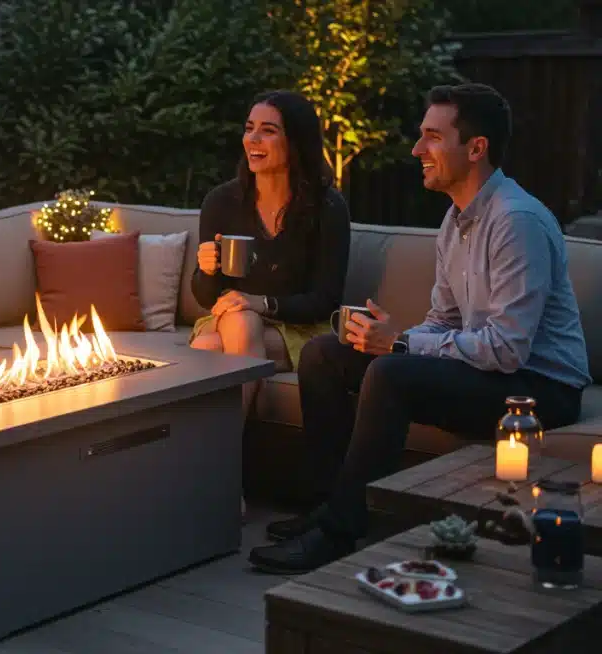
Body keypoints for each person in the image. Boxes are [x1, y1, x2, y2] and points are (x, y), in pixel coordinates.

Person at [249, 83, 591, 574]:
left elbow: (508, 350)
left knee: (392, 374)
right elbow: (445, 321)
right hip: (491, 371)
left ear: (476, 148)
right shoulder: (455, 220)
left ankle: (343, 532)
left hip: (539, 391)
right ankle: (327, 506)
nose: (417, 150)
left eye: (432, 137)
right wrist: (390, 335)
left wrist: (404, 345)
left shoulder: (516, 222)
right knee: (325, 354)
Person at [191, 90, 351, 417]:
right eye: (249, 128)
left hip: (301, 329)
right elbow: (207, 297)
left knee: (213, 346)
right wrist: (206, 271)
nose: (253, 139)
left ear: (295, 142)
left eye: (268, 130)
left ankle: (217, 458)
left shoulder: (327, 208)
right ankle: (230, 459)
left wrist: (261, 303)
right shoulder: (221, 201)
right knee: (238, 323)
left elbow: (325, 299)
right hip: (230, 320)